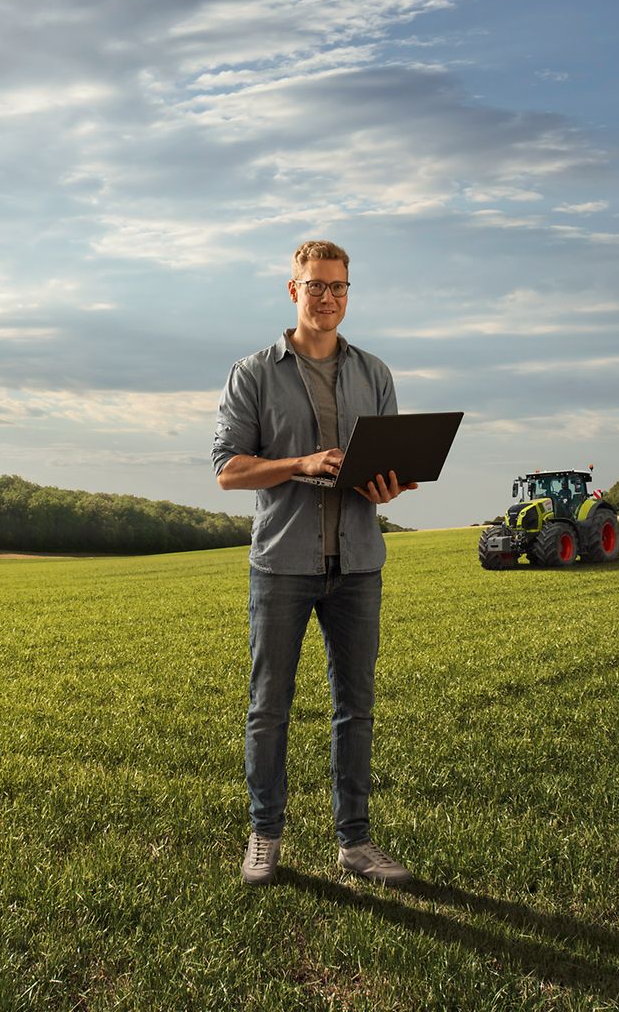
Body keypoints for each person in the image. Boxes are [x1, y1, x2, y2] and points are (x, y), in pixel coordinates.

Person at [211, 241, 417, 885]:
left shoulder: (375, 373)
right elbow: (227, 470)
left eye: (340, 286)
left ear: (349, 292)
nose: (328, 297)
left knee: (356, 707)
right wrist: (299, 464)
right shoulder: (253, 373)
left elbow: (390, 463)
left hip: (358, 564)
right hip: (282, 564)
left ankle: (355, 843)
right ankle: (264, 836)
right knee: (269, 707)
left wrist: (392, 484)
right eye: (316, 285)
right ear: (292, 290)